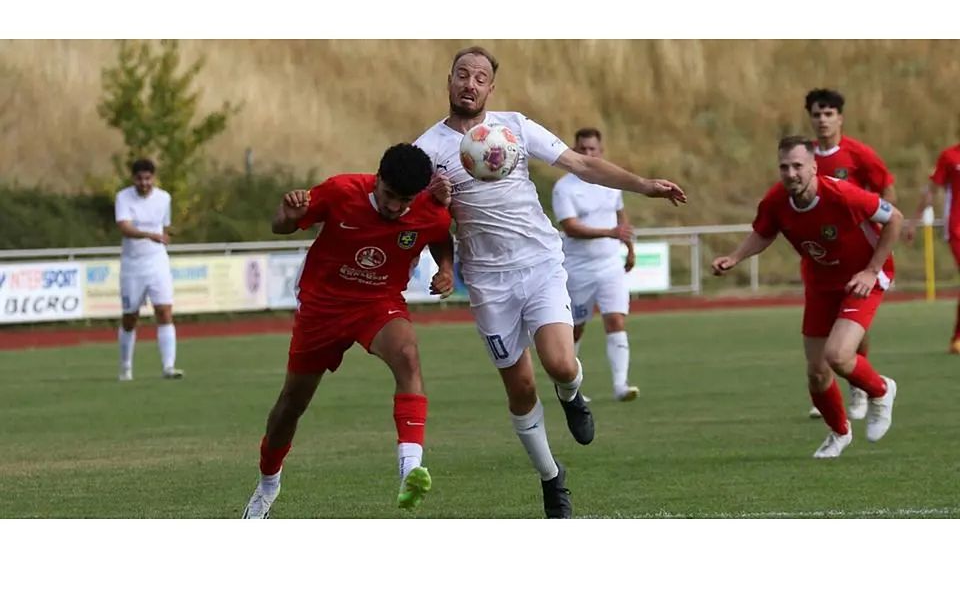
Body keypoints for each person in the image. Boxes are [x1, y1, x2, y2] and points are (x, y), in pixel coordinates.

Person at [415, 46, 686, 517]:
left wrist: (644, 185)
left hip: (539, 263)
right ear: (450, 81)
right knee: (519, 390)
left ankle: (572, 392)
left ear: (490, 88)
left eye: (481, 77)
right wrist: (438, 234)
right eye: (463, 74)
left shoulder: (515, 127)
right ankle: (551, 478)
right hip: (487, 281)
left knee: (560, 363)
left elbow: (581, 165)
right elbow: (426, 222)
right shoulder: (427, 150)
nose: (471, 83)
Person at [242, 143, 455, 518]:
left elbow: (440, 235)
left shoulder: (428, 211)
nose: (393, 207)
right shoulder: (341, 192)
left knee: (407, 356)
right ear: (377, 178)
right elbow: (281, 224)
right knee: (290, 407)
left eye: (403, 201)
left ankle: (409, 471)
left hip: (378, 303)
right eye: (388, 195)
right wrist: (288, 215)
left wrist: (446, 269)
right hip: (322, 308)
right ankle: (267, 484)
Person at [712, 136, 900, 459]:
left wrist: (871, 270)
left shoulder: (841, 194)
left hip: (861, 279)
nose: (790, 173)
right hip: (819, 283)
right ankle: (840, 433)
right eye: (784, 167)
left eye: (798, 166)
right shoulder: (776, 201)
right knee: (816, 372)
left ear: (814, 167)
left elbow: (894, 218)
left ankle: (881, 390)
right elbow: (764, 232)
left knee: (838, 356)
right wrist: (735, 257)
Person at [805, 88, 897, 420]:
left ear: (840, 117)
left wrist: (879, 221)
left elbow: (886, 188)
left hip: (857, 252)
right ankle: (831, 389)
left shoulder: (858, 154)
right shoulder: (804, 158)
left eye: (829, 114)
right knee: (826, 331)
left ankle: (859, 385)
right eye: (817, 114)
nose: (823, 120)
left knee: (852, 323)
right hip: (824, 253)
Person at [551, 128, 639, 403]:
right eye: (582, 149)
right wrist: (611, 233)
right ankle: (570, 387)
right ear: (574, 151)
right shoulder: (564, 187)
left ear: (601, 152)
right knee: (575, 327)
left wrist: (629, 247)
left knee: (615, 319)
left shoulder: (610, 182)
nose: (588, 154)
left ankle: (620, 385)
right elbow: (571, 227)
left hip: (610, 264)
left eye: (593, 150)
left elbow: (620, 216)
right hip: (577, 267)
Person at [114, 158, 183, 381]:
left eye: (148, 178)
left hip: (157, 261)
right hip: (133, 264)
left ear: (153, 178)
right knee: (130, 317)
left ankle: (169, 366)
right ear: (133, 179)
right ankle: (125, 366)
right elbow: (124, 227)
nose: (144, 183)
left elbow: (164, 226)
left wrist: (166, 234)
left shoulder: (164, 198)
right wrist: (150, 235)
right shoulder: (123, 197)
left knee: (164, 311)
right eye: (140, 178)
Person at [905, 139, 960, 354]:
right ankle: (957, 338)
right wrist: (913, 221)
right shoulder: (950, 156)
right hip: (957, 229)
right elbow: (932, 190)